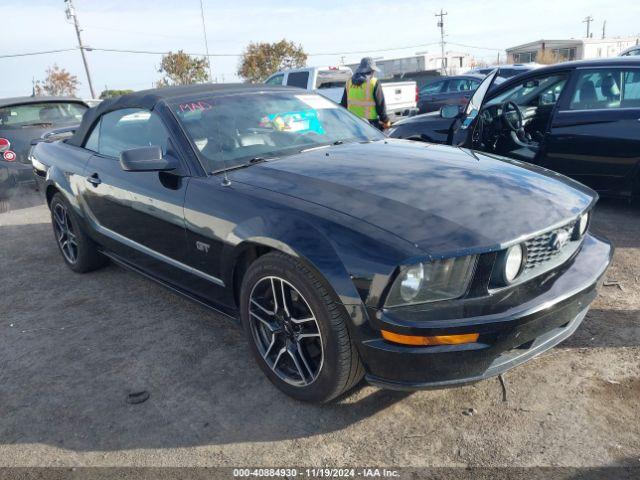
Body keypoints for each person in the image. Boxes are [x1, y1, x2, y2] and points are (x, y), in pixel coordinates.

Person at [340, 57, 391, 130]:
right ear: (371, 70)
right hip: (370, 124)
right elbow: (380, 105)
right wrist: (385, 120)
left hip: (353, 122)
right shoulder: (373, 82)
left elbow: (343, 104)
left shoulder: (349, 82)